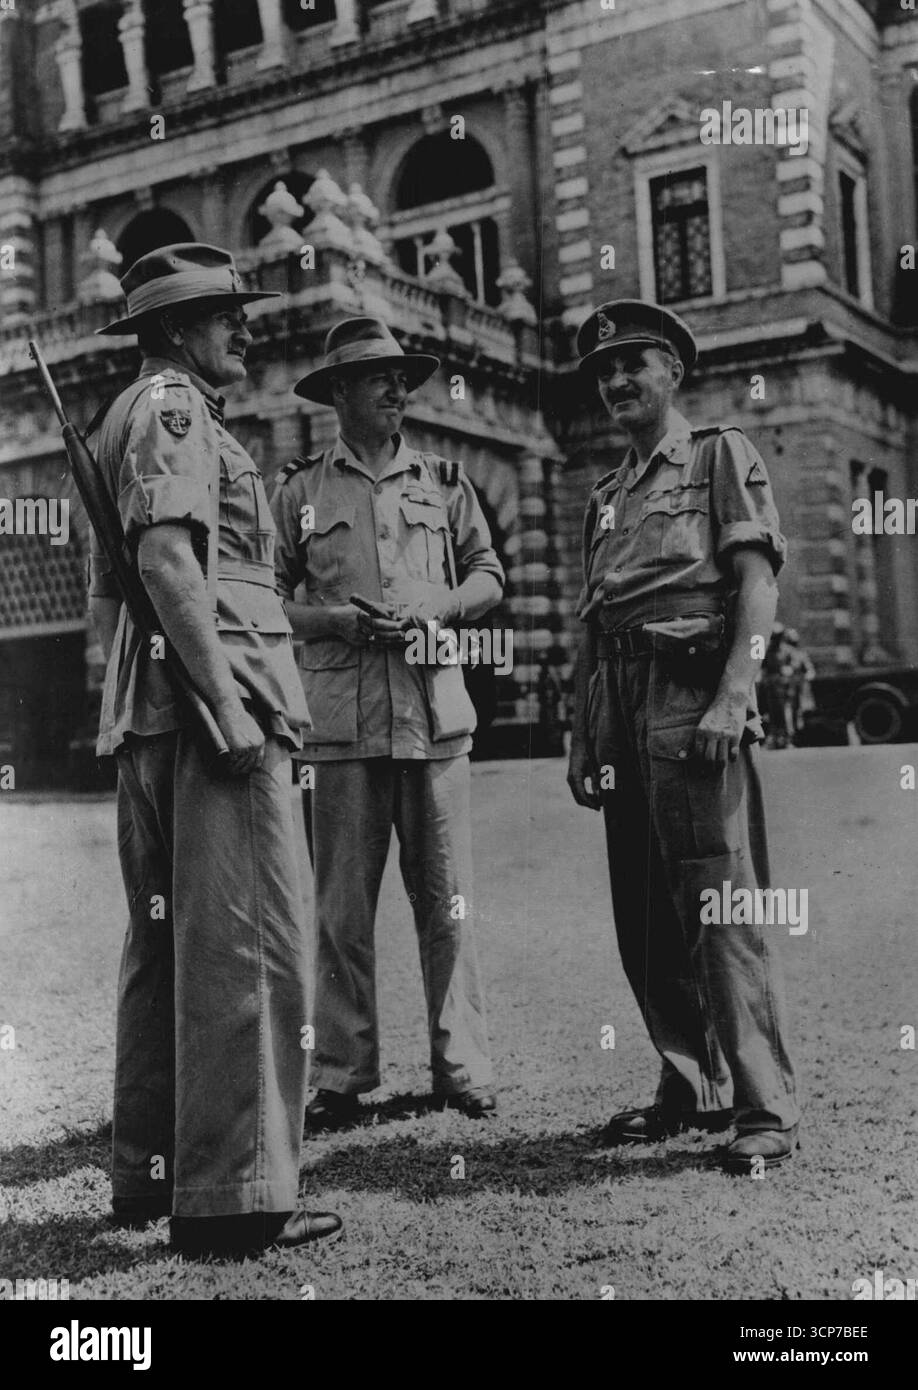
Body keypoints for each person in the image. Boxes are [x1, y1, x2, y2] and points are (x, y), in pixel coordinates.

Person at [88, 243, 342, 1256]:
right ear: (172, 329)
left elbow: (121, 590)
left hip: (157, 710)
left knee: (165, 952)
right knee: (249, 946)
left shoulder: (133, 409)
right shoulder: (176, 407)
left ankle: (151, 1174)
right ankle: (235, 1196)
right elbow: (163, 560)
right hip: (214, 709)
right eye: (224, 312)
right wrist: (228, 707)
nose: (245, 326)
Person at [567, 299, 800, 1172]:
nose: (616, 381)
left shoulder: (717, 457)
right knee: (648, 906)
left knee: (719, 902)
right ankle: (688, 1079)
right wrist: (583, 732)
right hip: (620, 704)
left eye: (634, 364)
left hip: (687, 690)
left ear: (674, 372)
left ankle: (764, 1107)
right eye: (603, 371)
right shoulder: (607, 493)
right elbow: (594, 622)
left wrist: (735, 694)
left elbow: (756, 583)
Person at [270, 317, 504, 1128]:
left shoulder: (444, 479)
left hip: (434, 716)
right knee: (341, 911)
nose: (397, 390)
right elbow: (268, 600)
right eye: (378, 377)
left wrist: (440, 603)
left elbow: (488, 575)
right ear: (338, 394)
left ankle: (463, 1066)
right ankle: (341, 1074)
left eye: (402, 377)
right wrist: (334, 620)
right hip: (339, 727)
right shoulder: (298, 492)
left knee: (450, 903)